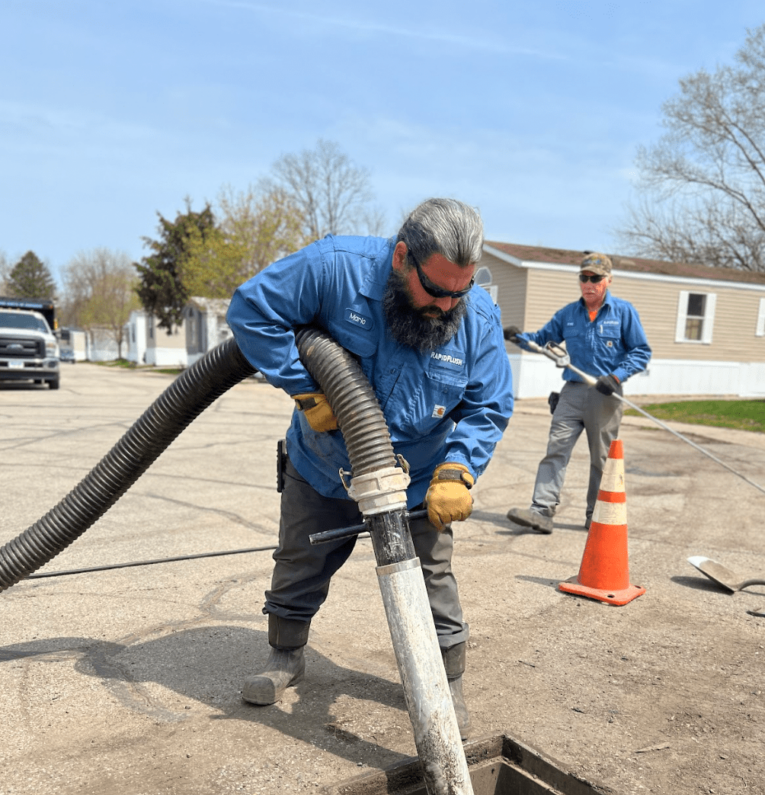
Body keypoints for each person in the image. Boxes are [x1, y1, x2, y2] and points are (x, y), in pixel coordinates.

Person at [226, 198, 514, 738]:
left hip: (418, 480)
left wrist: (459, 467)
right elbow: (251, 310)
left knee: (432, 580)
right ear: (403, 257)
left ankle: (447, 682)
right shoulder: (333, 269)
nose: (449, 305)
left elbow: (489, 403)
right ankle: (284, 657)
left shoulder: (474, 316)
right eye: (437, 289)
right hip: (326, 464)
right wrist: (305, 386)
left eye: (462, 290)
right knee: (299, 560)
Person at [505, 252, 651, 533]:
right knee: (555, 449)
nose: (588, 283)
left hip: (605, 392)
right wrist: (516, 336)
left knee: (601, 459)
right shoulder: (568, 314)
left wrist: (616, 377)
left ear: (608, 280)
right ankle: (541, 511)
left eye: (595, 278)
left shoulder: (623, 312)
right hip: (571, 391)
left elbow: (640, 351)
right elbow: (541, 340)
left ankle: (596, 516)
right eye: (583, 277)